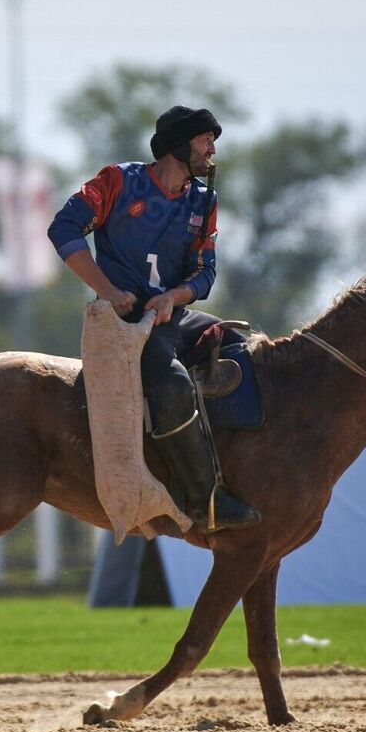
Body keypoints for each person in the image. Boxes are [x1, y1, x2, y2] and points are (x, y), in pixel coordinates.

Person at [47, 105, 261, 532]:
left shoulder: (204, 202)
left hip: (171, 316)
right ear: (180, 145)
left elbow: (205, 273)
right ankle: (204, 502)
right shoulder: (117, 181)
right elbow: (63, 228)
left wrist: (173, 298)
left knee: (245, 349)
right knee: (172, 383)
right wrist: (107, 291)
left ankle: (246, 474)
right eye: (205, 140)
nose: (212, 150)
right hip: (125, 323)